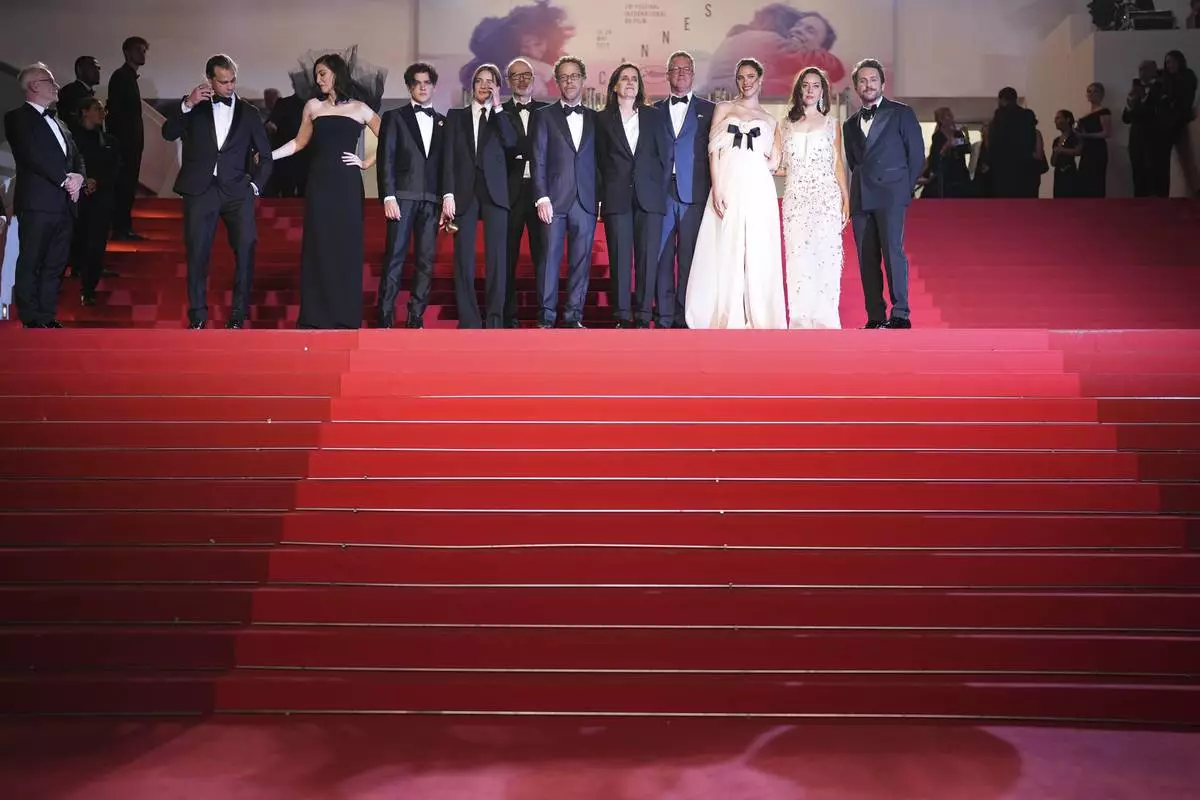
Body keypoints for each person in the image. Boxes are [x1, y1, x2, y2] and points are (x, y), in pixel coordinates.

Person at [163, 54, 273, 329]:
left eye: (233, 80)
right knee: (197, 254)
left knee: (246, 249)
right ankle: (198, 316)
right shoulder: (194, 108)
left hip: (237, 192)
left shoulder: (249, 112)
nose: (230, 87)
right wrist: (187, 104)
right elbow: (168, 132)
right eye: (223, 82)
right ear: (209, 80)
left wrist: (255, 187)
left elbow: (266, 156)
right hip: (200, 190)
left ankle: (237, 316)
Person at [272, 54, 381, 330]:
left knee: (346, 247)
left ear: (336, 74)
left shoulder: (360, 108)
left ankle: (344, 316)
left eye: (322, 73)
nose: (318, 79)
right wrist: (269, 155)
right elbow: (298, 142)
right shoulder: (312, 106)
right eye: (316, 74)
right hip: (320, 183)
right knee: (318, 246)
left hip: (346, 184)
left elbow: (390, 137)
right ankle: (315, 316)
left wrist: (366, 162)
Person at [684, 58, 786, 330]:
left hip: (758, 187)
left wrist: (763, 163)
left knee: (757, 247)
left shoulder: (769, 119)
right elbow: (713, 150)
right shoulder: (724, 108)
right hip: (728, 183)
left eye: (751, 76)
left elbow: (775, 161)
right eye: (741, 77)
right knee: (725, 244)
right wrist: (717, 187)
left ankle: (760, 314)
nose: (746, 82)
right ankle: (726, 313)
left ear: (760, 79)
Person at [842, 58, 923, 329]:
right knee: (867, 260)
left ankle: (901, 313)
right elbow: (854, 161)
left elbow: (916, 156)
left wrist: (902, 190)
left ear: (882, 83)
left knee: (893, 253)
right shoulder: (850, 124)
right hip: (862, 197)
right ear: (856, 87)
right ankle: (875, 316)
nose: (868, 85)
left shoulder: (901, 113)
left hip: (891, 195)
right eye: (862, 80)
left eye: (873, 79)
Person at [4, 63, 85, 328]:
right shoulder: (17, 118)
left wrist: (78, 176)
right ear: (34, 86)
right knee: (32, 259)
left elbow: (76, 155)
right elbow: (32, 155)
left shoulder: (59, 122)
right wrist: (65, 179)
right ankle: (30, 317)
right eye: (50, 80)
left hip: (65, 204)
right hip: (37, 203)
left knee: (56, 263)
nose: (56, 85)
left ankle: (47, 315)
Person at [440, 63, 518, 329]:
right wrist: (447, 194)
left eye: (490, 81)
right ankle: (470, 320)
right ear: (471, 87)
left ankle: (495, 320)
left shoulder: (502, 116)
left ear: (497, 87)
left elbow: (511, 144)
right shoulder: (455, 117)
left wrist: (498, 107)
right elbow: (447, 158)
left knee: (497, 258)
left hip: (496, 192)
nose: (484, 85)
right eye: (480, 81)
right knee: (464, 258)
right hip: (464, 192)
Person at [596, 63, 671, 328]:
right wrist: (600, 199)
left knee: (647, 259)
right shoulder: (602, 119)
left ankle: (643, 316)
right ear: (614, 85)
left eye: (634, 79)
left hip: (650, 198)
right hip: (617, 198)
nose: (630, 83)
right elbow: (598, 163)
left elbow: (665, 155)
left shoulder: (654, 116)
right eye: (624, 78)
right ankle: (622, 316)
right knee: (619, 258)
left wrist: (656, 190)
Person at [375, 62, 445, 329]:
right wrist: (388, 196)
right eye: (417, 82)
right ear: (409, 86)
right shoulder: (394, 117)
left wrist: (445, 198)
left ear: (434, 86)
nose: (423, 87)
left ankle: (416, 316)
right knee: (395, 256)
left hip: (432, 200)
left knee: (426, 260)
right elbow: (386, 159)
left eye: (427, 82)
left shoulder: (443, 122)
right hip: (402, 197)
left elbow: (445, 165)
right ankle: (385, 315)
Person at [531, 55, 599, 328]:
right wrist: (541, 196)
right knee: (548, 261)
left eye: (574, 76)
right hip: (554, 200)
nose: (570, 81)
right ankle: (546, 318)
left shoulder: (596, 118)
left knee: (580, 264)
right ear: (557, 81)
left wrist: (601, 198)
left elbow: (602, 162)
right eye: (564, 77)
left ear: (583, 80)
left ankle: (573, 318)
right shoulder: (543, 116)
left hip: (586, 200)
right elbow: (538, 158)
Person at [779, 67, 848, 330]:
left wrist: (845, 198)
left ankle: (826, 318)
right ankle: (799, 318)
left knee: (825, 255)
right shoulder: (785, 125)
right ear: (799, 90)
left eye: (815, 86)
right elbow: (779, 163)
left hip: (825, 196)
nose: (810, 90)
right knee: (798, 255)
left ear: (822, 91)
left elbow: (837, 163)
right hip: (796, 197)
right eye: (805, 85)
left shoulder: (832, 124)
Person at [654, 50, 714, 329]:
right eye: (675, 69)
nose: (681, 73)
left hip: (695, 194)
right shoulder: (652, 111)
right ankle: (664, 316)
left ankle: (685, 316)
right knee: (661, 257)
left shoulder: (711, 110)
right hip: (661, 194)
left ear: (693, 74)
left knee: (690, 258)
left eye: (686, 69)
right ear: (667, 75)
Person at [500, 58, 548, 328]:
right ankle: (509, 317)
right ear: (508, 81)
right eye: (515, 76)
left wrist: (522, 148)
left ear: (534, 78)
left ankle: (545, 315)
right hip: (510, 194)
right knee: (507, 259)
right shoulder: (499, 112)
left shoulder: (547, 112)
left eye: (526, 75)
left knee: (544, 256)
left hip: (542, 194)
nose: (522, 79)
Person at [71, 98, 121, 305]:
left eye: (103, 109)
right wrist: (84, 180)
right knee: (78, 238)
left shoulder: (110, 141)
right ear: (84, 112)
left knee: (96, 242)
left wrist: (96, 181)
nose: (102, 113)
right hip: (76, 196)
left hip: (102, 197)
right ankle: (75, 269)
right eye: (97, 109)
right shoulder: (72, 139)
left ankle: (89, 288)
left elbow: (116, 169)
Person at [107, 36, 148, 241]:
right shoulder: (121, 77)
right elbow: (116, 114)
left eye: (144, 50)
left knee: (128, 187)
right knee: (123, 187)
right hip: (124, 145)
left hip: (131, 144)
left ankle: (123, 227)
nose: (143, 54)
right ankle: (121, 229)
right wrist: (119, 146)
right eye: (138, 50)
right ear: (127, 52)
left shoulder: (129, 77)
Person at [1123, 61, 1171, 198]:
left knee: (1156, 178)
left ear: (1154, 70)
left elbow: (1158, 113)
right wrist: (1131, 104)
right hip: (1136, 140)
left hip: (1155, 141)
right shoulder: (1136, 90)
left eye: (1145, 68)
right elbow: (1126, 119)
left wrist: (1143, 98)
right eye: (1140, 69)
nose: (1142, 72)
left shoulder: (1162, 87)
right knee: (1138, 176)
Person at [919, 107, 973, 199]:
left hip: (960, 173)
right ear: (941, 120)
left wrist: (965, 137)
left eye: (951, 116)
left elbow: (967, 148)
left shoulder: (958, 134)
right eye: (949, 116)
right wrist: (946, 147)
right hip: (945, 176)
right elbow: (936, 157)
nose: (952, 118)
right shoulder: (937, 136)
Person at [1075, 82, 1112, 197]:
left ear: (1100, 93)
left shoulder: (1104, 111)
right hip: (1086, 150)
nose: (1089, 94)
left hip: (1098, 150)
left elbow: (1107, 133)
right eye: (1088, 91)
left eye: (1092, 91)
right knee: (1084, 180)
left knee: (1096, 181)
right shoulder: (1086, 114)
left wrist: (1086, 136)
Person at [56, 56, 100, 137]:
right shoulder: (70, 92)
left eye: (98, 68)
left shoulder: (84, 91)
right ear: (80, 70)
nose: (97, 71)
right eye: (93, 67)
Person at [1051, 110, 1081, 198]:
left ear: (1067, 119)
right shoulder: (1056, 140)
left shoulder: (1075, 136)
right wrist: (1055, 153)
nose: (1055, 121)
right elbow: (1053, 162)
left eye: (1058, 118)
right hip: (1058, 174)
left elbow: (1079, 151)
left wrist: (1062, 150)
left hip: (1070, 173)